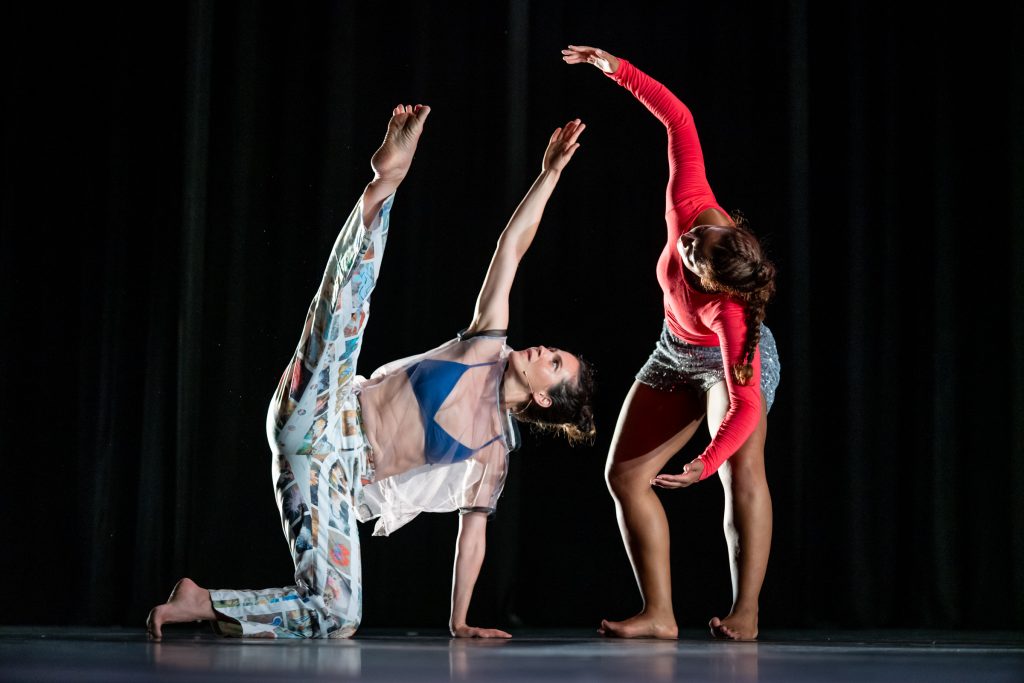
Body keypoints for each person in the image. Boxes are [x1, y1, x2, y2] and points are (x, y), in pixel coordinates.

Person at [146, 104, 595, 640]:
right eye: (552, 350)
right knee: (344, 313)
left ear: (543, 399)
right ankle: (385, 184)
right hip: (325, 405)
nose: (544, 350)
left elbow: (471, 538)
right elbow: (512, 249)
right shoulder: (486, 344)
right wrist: (549, 175)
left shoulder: (492, 454)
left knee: (339, 616)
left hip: (331, 476)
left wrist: (460, 622)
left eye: (554, 362)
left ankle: (203, 602)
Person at [562, 46, 780, 641]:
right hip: (673, 351)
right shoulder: (693, 205)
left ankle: (746, 611)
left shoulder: (733, 316)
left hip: (725, 370)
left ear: (716, 285)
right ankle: (659, 613)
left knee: (741, 466)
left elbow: (745, 405)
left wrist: (706, 462)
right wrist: (618, 70)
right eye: (696, 239)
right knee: (625, 477)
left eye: (695, 256)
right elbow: (679, 119)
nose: (686, 245)